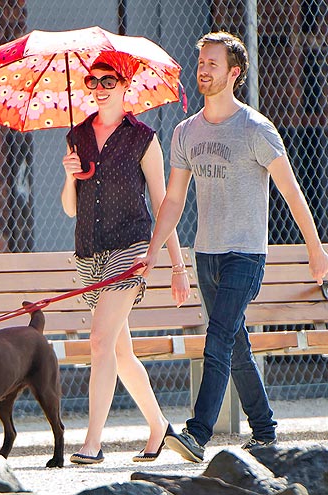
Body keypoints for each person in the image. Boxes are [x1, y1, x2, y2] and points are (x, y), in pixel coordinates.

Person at [135, 31, 328, 463]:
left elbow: (292, 192)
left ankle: (197, 432)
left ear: (234, 73)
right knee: (234, 340)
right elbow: (173, 200)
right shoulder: (185, 132)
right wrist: (153, 254)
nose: (203, 69)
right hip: (207, 254)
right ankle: (265, 430)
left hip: (246, 253)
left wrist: (316, 249)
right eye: (201, 62)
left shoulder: (256, 129)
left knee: (218, 337)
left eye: (212, 64)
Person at [61, 50, 191, 464]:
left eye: (107, 82)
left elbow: (162, 201)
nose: (98, 90)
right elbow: (69, 208)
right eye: (92, 83)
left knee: (99, 341)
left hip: (130, 250)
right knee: (119, 351)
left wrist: (176, 264)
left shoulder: (142, 137)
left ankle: (92, 444)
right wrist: (69, 175)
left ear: (125, 85)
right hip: (88, 254)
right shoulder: (77, 135)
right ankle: (158, 427)